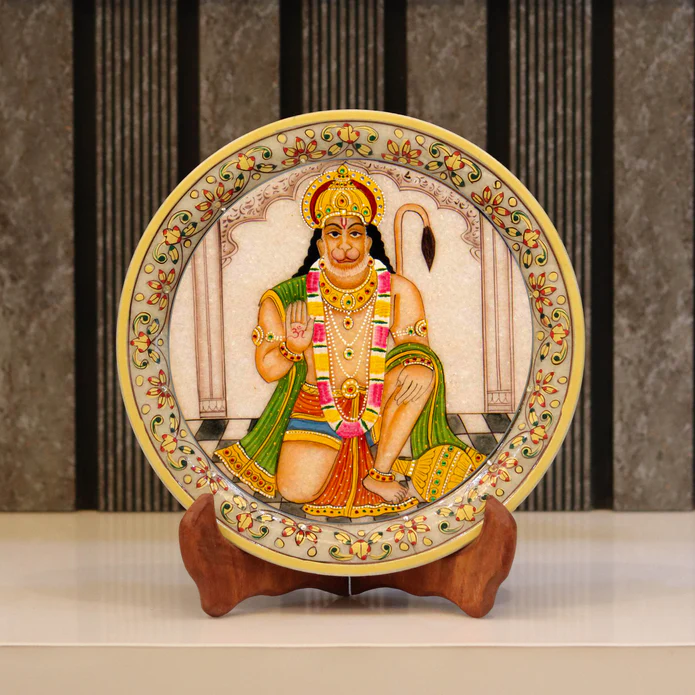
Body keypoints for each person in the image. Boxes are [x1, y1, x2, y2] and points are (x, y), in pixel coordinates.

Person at [215, 164, 484, 518]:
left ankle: (380, 471)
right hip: (316, 405)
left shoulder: (399, 291)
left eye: (355, 233)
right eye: (334, 234)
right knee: (295, 490)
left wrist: (409, 352)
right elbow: (267, 369)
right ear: (320, 243)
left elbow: (416, 355)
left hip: (377, 406)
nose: (345, 246)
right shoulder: (287, 298)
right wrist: (292, 348)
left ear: (368, 241)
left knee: (421, 369)